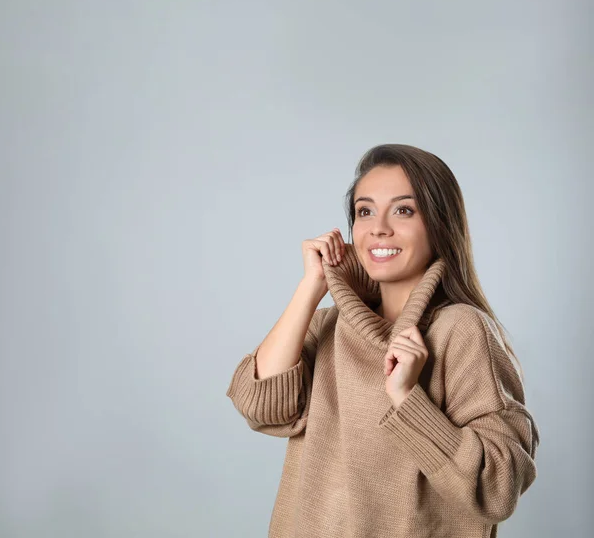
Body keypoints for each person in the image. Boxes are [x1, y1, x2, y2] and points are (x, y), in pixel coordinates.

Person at [225, 144, 540, 538]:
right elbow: (261, 407)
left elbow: (497, 489)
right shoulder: (327, 326)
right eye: (365, 211)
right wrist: (312, 287)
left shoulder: (461, 329)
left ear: (439, 224)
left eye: (404, 210)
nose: (379, 228)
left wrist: (409, 399)